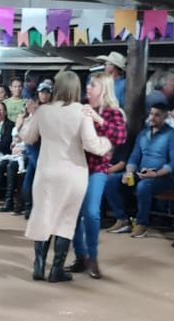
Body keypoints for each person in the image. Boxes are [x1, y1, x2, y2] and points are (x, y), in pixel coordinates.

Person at [19, 71, 112, 283]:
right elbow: (91, 144)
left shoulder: (43, 111)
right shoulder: (82, 111)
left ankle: (39, 265)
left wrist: (23, 123)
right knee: (65, 220)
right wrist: (107, 144)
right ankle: (57, 269)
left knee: (43, 216)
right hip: (73, 173)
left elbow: (29, 137)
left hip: (46, 173)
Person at [69, 72, 127, 279]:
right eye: (88, 84)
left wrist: (97, 118)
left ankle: (93, 257)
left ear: (104, 89)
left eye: (92, 85)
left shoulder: (114, 112)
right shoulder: (79, 106)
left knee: (92, 213)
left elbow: (120, 137)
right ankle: (80, 256)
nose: (88, 88)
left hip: (97, 169)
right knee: (73, 214)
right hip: (75, 166)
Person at [104, 102, 174, 238]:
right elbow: (134, 157)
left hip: (163, 178)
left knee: (143, 186)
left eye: (157, 115)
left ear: (165, 117)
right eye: (151, 114)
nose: (152, 117)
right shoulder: (143, 133)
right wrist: (129, 172)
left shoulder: (173, 135)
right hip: (141, 174)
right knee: (111, 180)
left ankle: (142, 224)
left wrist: (156, 174)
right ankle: (122, 219)